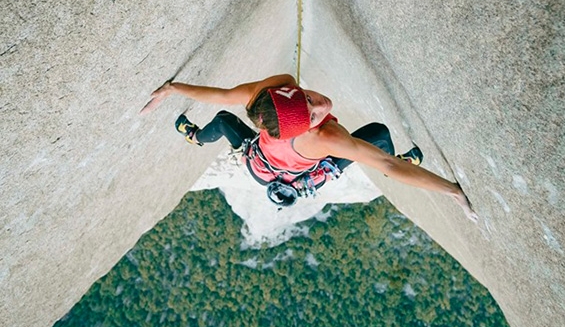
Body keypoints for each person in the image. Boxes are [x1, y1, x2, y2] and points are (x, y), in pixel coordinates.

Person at [141, 73, 478, 221]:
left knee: (225, 121)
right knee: (378, 136)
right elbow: (388, 166)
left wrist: (173, 88)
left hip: (264, 168)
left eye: (307, 100)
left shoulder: (269, 96)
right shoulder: (325, 138)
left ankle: (197, 137)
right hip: (300, 171)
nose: (323, 106)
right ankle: (195, 137)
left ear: (287, 95)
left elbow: (221, 94)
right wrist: (452, 191)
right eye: (313, 115)